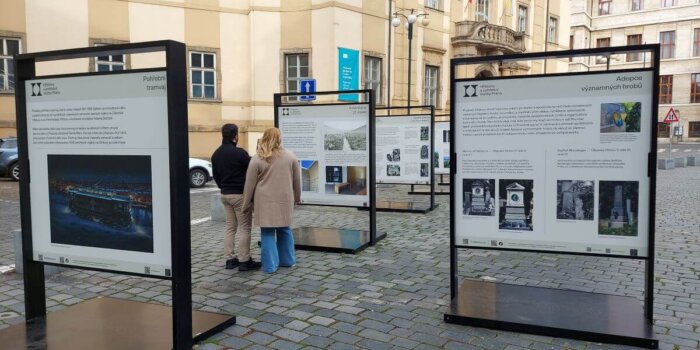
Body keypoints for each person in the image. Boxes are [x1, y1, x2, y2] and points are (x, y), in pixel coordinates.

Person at [243, 128, 301, 274]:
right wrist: (298, 197)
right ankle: (288, 261)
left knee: (267, 232)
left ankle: (270, 266)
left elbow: (249, 184)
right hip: (284, 199)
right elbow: (297, 181)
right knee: (285, 229)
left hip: (264, 201)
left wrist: (245, 203)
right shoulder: (290, 156)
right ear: (279, 139)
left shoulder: (258, 157)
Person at [211, 124, 261, 271]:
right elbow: (253, 169)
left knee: (230, 227)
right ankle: (245, 261)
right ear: (235, 136)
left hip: (225, 195)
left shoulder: (216, 154)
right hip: (239, 195)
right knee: (245, 227)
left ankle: (230, 259)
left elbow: (216, 176)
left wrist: (223, 187)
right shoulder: (239, 153)